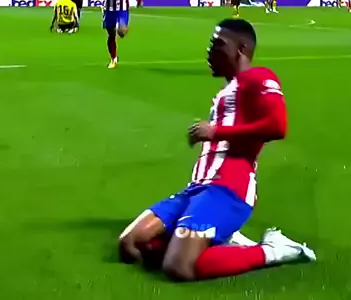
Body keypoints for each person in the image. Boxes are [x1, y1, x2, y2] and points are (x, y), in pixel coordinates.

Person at [118, 19, 315, 281]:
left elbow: (277, 126)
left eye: (218, 45)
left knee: (178, 266)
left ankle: (274, 250)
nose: (210, 52)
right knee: (130, 245)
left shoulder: (258, 77)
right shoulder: (226, 91)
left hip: (228, 189)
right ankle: (217, 239)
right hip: (196, 190)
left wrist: (216, 132)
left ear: (241, 49)